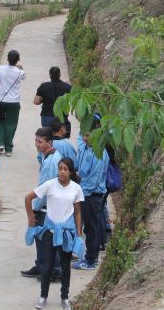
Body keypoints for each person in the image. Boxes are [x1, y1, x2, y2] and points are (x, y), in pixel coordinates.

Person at [24, 157, 83, 310]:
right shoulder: (50, 185)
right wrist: (31, 218)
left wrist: (78, 234)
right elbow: (28, 197)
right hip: (49, 233)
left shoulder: (76, 188)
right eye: (60, 168)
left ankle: (65, 298)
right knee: (47, 266)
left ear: (71, 171)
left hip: (66, 234)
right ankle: (43, 297)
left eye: (65, 169)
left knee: (65, 266)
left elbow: (77, 213)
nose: (62, 171)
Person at [21, 128, 63, 280]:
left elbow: (44, 189)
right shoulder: (50, 156)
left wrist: (35, 209)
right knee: (41, 239)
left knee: (48, 240)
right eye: (36, 140)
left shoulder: (51, 162)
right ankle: (41, 266)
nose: (36, 144)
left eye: (40, 141)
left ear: (49, 143)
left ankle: (55, 271)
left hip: (48, 206)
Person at [73, 120, 108, 271]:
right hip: (84, 193)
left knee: (92, 228)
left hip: (92, 196)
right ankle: (88, 257)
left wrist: (79, 193)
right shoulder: (86, 149)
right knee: (88, 227)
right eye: (83, 134)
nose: (85, 138)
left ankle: (91, 260)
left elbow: (92, 181)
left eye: (88, 135)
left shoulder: (99, 153)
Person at [0, 50, 25, 156]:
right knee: (11, 124)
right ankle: (9, 148)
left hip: (1, 100)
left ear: (7, 58)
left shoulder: (0, 69)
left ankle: (0, 143)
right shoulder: (20, 72)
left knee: (0, 122)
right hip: (14, 102)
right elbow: (23, 77)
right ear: (18, 59)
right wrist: (20, 68)